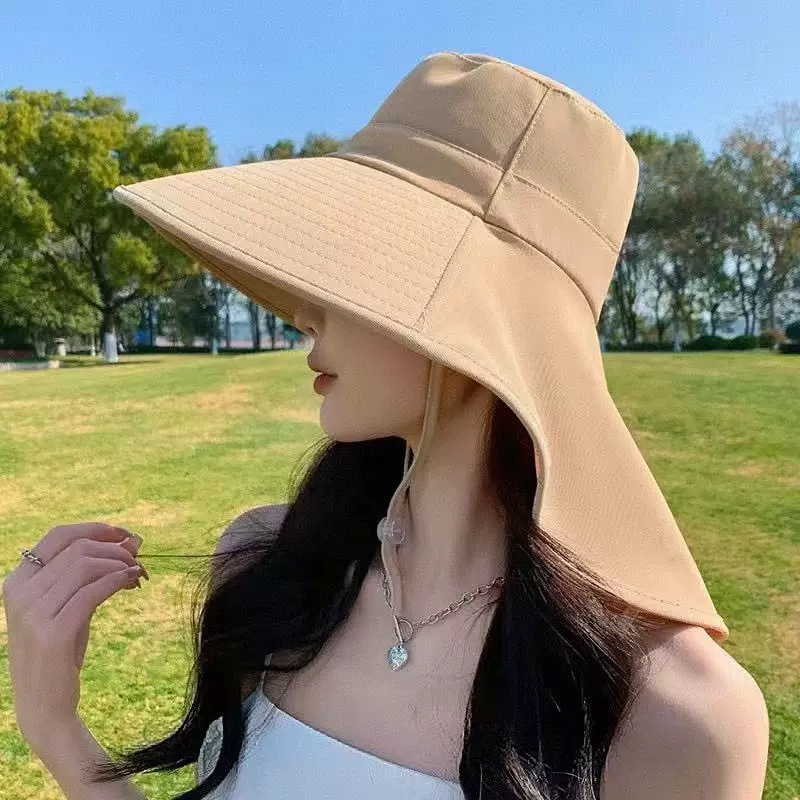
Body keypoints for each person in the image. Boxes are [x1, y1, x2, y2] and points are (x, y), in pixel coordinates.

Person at [3, 51, 769, 799]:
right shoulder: (271, 570)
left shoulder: (678, 719)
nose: (305, 310)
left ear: (483, 314)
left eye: (358, 266)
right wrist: (57, 729)